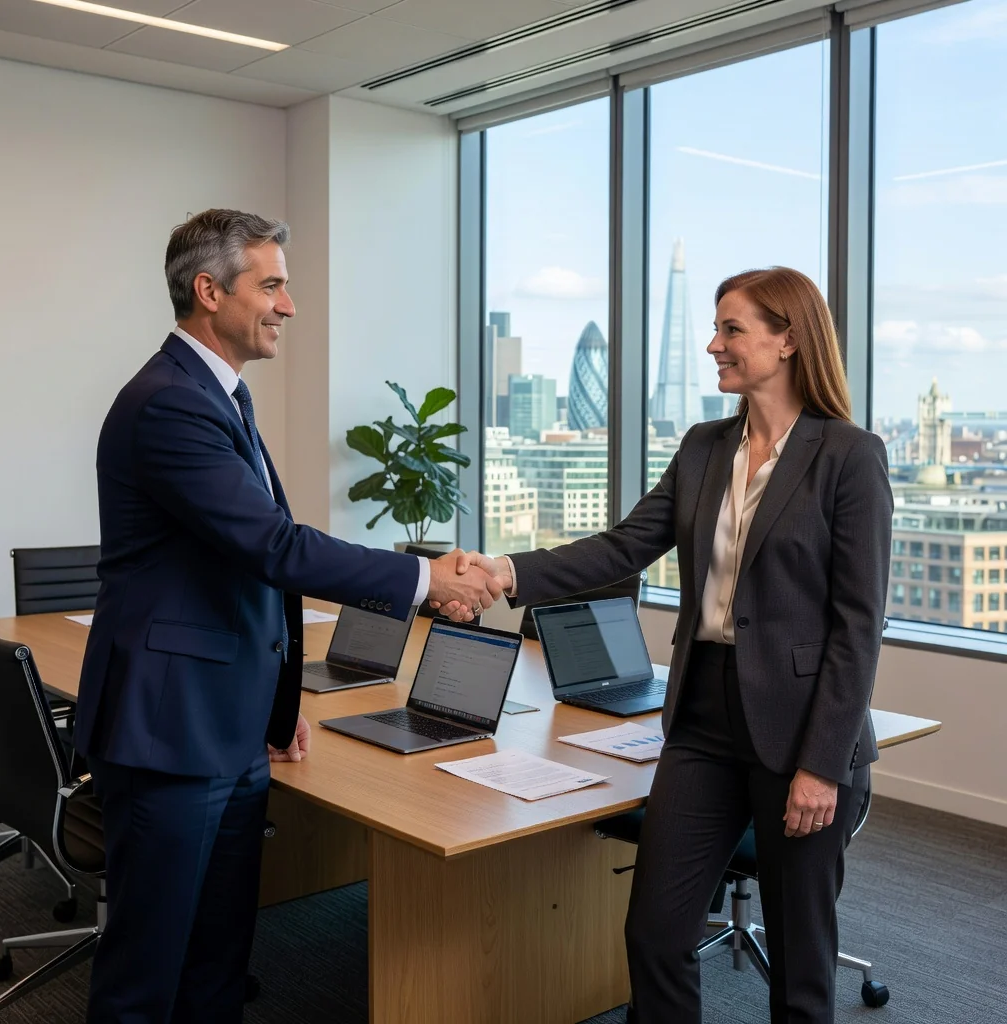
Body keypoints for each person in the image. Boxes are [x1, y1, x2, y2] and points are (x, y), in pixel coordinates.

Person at [74, 208, 500, 1023]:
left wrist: (274, 707)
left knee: (217, 959)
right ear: (209, 291)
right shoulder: (169, 403)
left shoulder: (216, 394)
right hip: (170, 732)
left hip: (225, 729)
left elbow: (242, 574)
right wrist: (424, 581)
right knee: (146, 973)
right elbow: (273, 547)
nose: (289, 305)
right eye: (271, 284)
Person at [445, 267, 893, 1023]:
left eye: (732, 330)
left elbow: (857, 625)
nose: (714, 345)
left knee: (800, 961)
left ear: (787, 340)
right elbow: (623, 548)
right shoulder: (703, 447)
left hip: (803, 728)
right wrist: (507, 569)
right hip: (703, 719)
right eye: (715, 329)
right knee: (655, 931)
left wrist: (822, 765)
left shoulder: (849, 455)